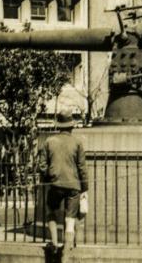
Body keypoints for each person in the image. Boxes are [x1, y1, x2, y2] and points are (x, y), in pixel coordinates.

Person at [39, 109, 88, 263]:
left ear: (59, 125)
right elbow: (82, 167)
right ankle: (66, 251)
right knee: (70, 218)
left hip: (55, 184)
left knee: (50, 211)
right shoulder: (77, 142)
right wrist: (85, 187)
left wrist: (48, 177)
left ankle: (54, 243)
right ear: (71, 126)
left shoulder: (49, 141)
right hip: (74, 185)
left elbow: (42, 166)